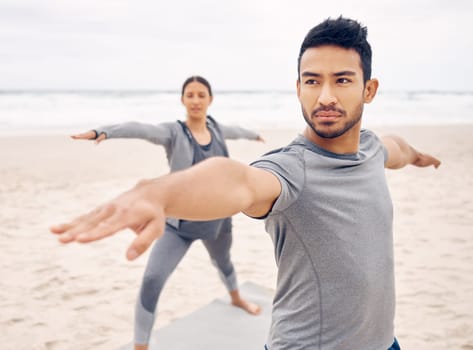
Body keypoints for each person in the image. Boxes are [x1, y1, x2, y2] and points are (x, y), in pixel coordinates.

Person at [51, 17, 441, 350]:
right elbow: (237, 180)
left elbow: (398, 149)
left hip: (384, 343)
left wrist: (421, 157)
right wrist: (159, 193)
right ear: (298, 87)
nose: (325, 96)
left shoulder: (372, 149)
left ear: (368, 89)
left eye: (342, 80)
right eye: (312, 81)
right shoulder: (292, 168)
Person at [69, 75, 264, 350]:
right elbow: (140, 128)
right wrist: (104, 132)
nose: (195, 100)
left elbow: (236, 130)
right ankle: (141, 346)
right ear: (183, 100)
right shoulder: (173, 133)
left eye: (201, 95)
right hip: (178, 227)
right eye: (190, 95)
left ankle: (236, 298)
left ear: (210, 100)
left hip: (218, 223)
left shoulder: (217, 128)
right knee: (151, 280)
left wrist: (254, 135)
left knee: (224, 263)